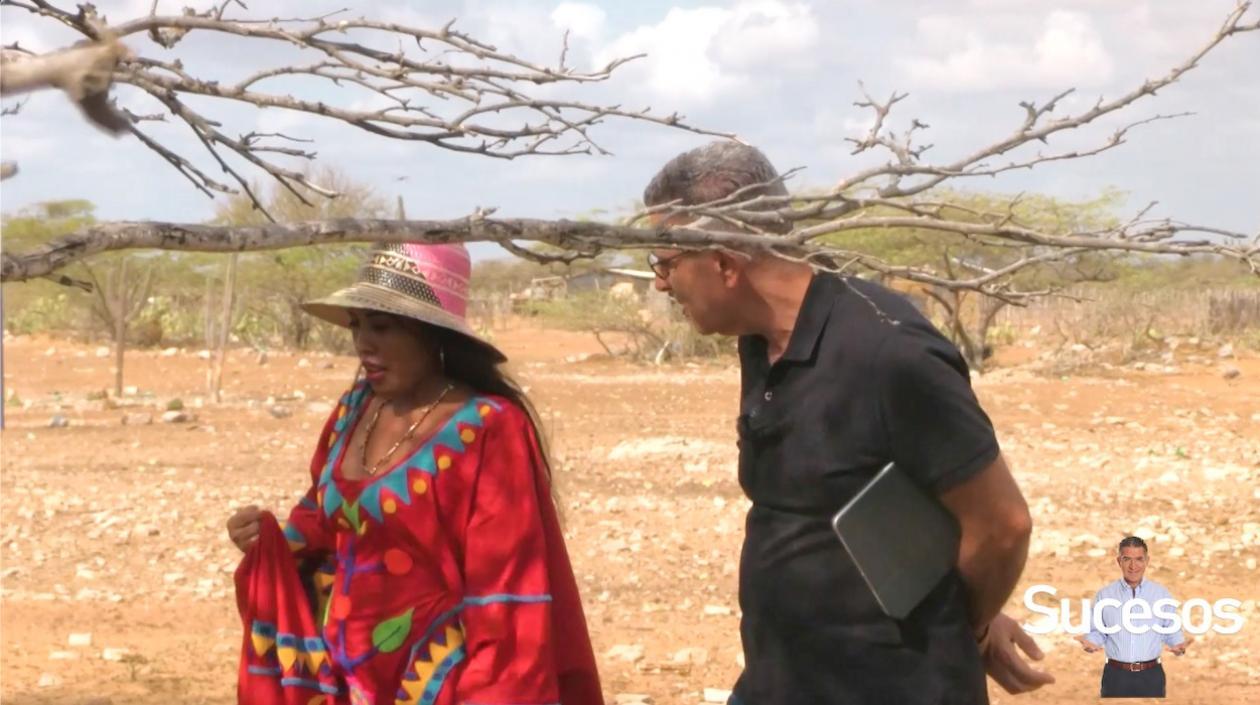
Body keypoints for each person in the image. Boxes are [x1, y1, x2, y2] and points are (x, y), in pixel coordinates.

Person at [642, 141, 1054, 705]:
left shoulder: (891, 353)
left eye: (665, 264)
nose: (660, 284)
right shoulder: (761, 344)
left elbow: (1003, 523)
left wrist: (971, 623)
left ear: (723, 263)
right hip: (781, 683)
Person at [225, 242, 602, 705]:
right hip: (341, 678)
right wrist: (271, 540)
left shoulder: (488, 427)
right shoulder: (353, 409)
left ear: (433, 334)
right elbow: (324, 520)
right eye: (358, 325)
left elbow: (503, 593)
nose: (364, 343)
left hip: (440, 681)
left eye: (383, 327)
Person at [1076, 536, 1189, 698]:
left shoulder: (1161, 594)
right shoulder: (1105, 595)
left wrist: (1179, 646)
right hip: (1115, 676)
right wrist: (1090, 643)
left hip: (1151, 676)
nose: (1133, 566)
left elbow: (1171, 630)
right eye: (1127, 559)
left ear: (1147, 561)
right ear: (1118, 561)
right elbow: (1099, 631)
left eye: (1139, 559)